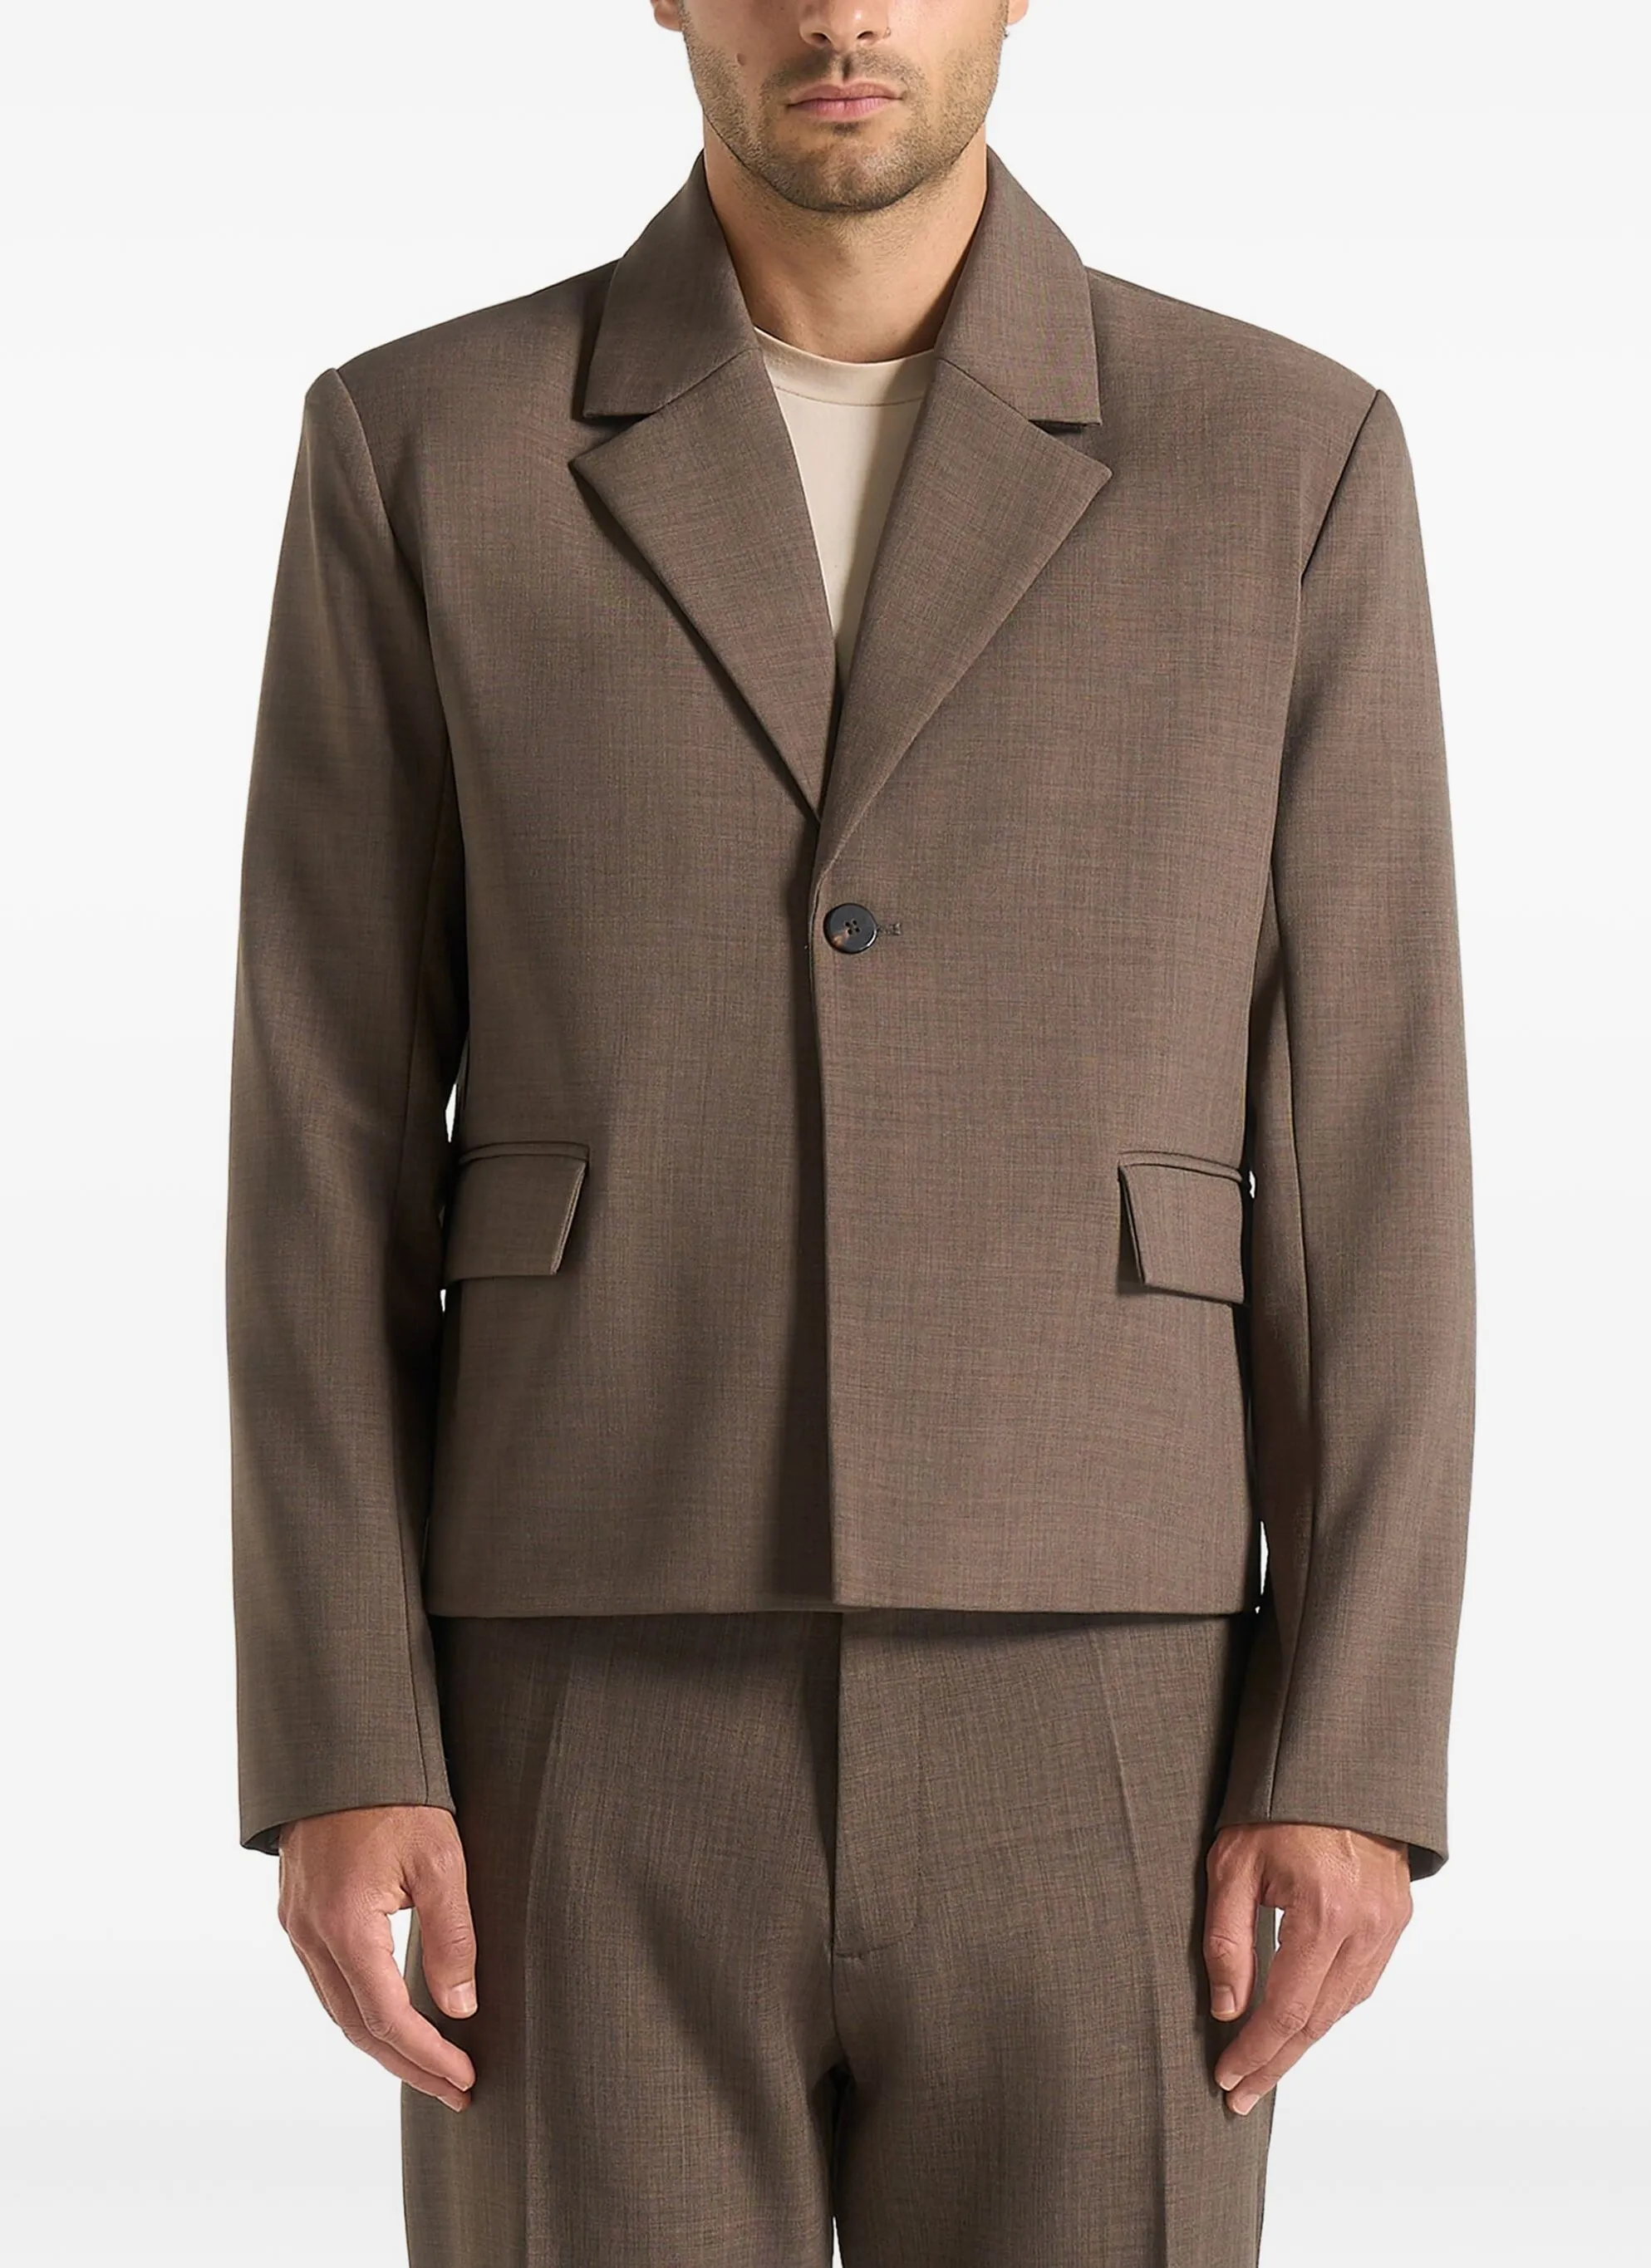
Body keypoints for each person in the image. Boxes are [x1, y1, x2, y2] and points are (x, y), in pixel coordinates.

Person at [225, 2, 1476, 2259]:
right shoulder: (425, 445)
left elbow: (1371, 1145)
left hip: (1115, 1688)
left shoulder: (1281, 455)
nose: (842, 11)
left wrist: (1355, 1748)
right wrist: (340, 1726)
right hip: (577, 1671)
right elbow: (322, 1128)